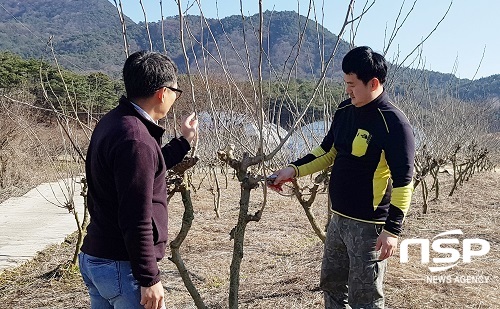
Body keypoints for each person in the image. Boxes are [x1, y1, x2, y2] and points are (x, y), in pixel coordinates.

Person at [272, 46, 415, 308]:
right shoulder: (344, 111)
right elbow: (327, 151)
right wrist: (292, 170)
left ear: (373, 83)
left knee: (366, 297)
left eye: (352, 84)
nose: (347, 90)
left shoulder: (394, 123)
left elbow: (404, 182)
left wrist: (392, 230)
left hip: (369, 226)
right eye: (345, 83)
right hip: (338, 219)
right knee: (332, 285)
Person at [79, 50, 198, 309]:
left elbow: (148, 169)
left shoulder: (118, 123)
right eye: (176, 93)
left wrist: (184, 142)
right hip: (122, 268)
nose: (174, 99)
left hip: (99, 257)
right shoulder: (136, 139)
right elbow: (136, 216)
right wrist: (149, 277)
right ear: (162, 93)